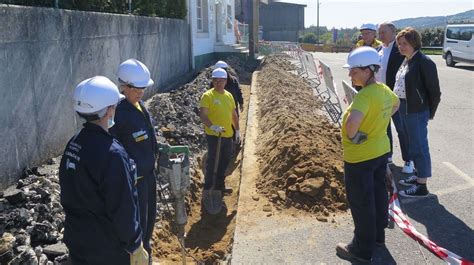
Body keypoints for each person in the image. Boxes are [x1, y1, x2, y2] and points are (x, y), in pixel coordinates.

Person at [59, 76, 149, 265]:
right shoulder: (112, 154)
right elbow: (122, 207)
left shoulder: (74, 143)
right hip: (106, 248)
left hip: (78, 240)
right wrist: (134, 244)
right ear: (109, 110)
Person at [336, 47, 400, 263]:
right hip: (380, 152)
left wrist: (355, 136)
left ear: (368, 70)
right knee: (378, 195)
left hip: (359, 158)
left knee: (362, 202)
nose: (350, 74)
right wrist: (377, 125)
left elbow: (352, 126)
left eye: (354, 70)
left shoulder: (364, 96)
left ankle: (361, 249)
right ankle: (378, 237)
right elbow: (396, 104)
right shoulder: (383, 90)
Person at [109, 59, 158, 259]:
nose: (141, 92)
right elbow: (113, 151)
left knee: (149, 222)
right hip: (135, 182)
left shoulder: (139, 106)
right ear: (124, 87)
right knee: (139, 225)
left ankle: (146, 255)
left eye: (143, 88)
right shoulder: (117, 114)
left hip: (149, 176)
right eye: (137, 89)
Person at [394, 27, 441, 197]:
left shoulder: (424, 62)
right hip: (404, 108)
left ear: (414, 43)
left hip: (416, 110)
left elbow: (435, 92)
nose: (401, 47)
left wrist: (428, 113)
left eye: (405, 43)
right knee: (412, 145)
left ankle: (422, 185)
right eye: (399, 44)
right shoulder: (407, 60)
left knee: (420, 146)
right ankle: (417, 175)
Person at [376, 22, 414, 173]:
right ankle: (388, 155)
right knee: (384, 129)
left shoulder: (400, 51)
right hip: (380, 97)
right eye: (379, 32)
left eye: (383, 32)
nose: (380, 35)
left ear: (393, 32)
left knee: (402, 129)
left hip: (396, 98)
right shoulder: (378, 49)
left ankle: (408, 160)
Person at [200, 68, 240, 196]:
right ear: (212, 81)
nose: (218, 83)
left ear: (226, 81)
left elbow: (234, 115)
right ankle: (208, 188)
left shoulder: (229, 96)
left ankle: (219, 186)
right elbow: (203, 115)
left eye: (221, 80)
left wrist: (237, 130)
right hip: (214, 135)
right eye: (215, 80)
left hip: (227, 135)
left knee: (224, 161)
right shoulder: (208, 96)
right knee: (213, 161)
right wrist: (212, 127)